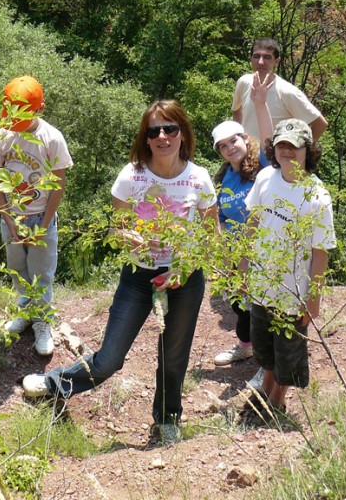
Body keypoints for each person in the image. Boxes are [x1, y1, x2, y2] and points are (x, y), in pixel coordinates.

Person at [21, 100, 217, 446]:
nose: (162, 136)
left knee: (174, 357)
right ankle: (55, 383)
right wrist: (131, 237)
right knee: (109, 358)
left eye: (169, 129)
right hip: (138, 277)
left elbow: (210, 236)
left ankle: (167, 420)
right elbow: (118, 229)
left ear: (183, 134)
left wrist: (182, 269)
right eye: (154, 130)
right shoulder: (132, 175)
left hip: (185, 278)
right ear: (146, 138)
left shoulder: (199, 178)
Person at [243, 118, 336, 416]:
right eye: (282, 145)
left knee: (288, 349)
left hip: (292, 290)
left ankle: (276, 403)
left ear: (308, 151)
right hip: (261, 282)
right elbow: (253, 222)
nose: (288, 152)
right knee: (263, 345)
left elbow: (320, 251)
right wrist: (242, 266)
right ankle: (265, 392)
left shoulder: (317, 195)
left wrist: (314, 298)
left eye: (295, 147)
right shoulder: (265, 179)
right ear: (274, 149)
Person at [0, 75, 73, 356]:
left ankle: (42, 322)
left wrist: (45, 225)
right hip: (11, 216)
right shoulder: (2, 134)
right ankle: (26, 312)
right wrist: (8, 218)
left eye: (22, 118)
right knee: (17, 269)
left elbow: (58, 185)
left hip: (41, 218)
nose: (16, 124)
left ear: (40, 109)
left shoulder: (52, 138)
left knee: (42, 273)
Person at [210, 72, 275, 396]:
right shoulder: (224, 178)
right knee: (239, 303)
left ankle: (266, 365)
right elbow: (220, 216)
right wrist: (224, 251)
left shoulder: (263, 164)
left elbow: (269, 138)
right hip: (236, 253)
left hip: (264, 251)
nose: (229, 148)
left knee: (262, 306)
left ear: (244, 138)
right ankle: (246, 346)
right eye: (222, 146)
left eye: (233, 141)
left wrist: (260, 104)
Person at [232, 38, 327, 144]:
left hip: (273, 158)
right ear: (251, 59)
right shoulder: (244, 82)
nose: (260, 62)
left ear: (277, 61)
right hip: (247, 156)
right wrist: (237, 138)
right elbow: (236, 110)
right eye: (256, 56)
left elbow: (320, 123)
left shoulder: (287, 92)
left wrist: (302, 152)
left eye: (267, 57)